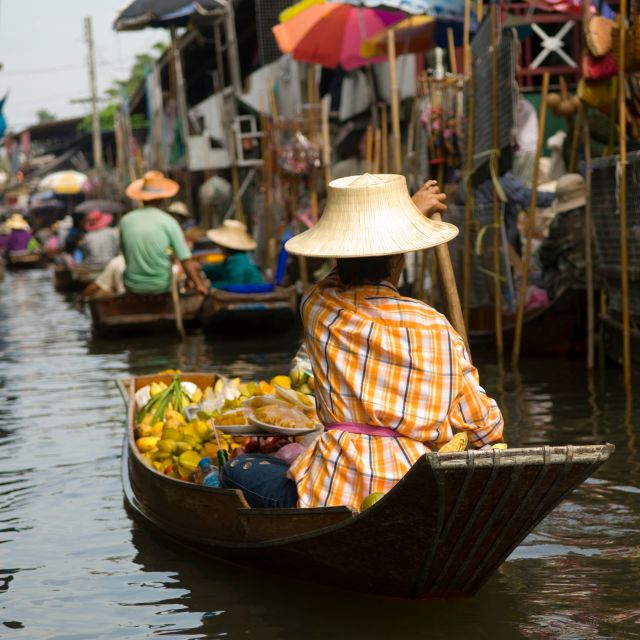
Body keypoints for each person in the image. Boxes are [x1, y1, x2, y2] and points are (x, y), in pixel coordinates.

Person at [219, 174, 504, 510]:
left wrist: (408, 213)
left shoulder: (320, 308)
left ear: (338, 258)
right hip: (414, 489)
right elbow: (487, 428)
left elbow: (330, 283)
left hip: (331, 492)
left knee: (236, 469)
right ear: (398, 259)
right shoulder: (436, 325)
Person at [119, 171, 208, 296]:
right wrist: (199, 285)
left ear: (142, 197)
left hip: (132, 286)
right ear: (162, 198)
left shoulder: (125, 221)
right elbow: (185, 259)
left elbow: (125, 253)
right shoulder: (169, 222)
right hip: (162, 288)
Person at [201, 220, 265, 289]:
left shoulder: (239, 259)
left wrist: (210, 286)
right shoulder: (231, 259)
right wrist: (203, 269)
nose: (218, 246)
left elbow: (233, 284)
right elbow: (219, 270)